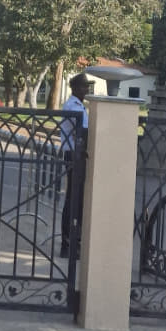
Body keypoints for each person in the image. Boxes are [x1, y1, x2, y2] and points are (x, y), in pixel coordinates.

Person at [59, 73, 90, 259]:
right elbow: (82, 131)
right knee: (73, 199)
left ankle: (74, 242)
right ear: (76, 88)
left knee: (77, 199)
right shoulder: (73, 106)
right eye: (85, 86)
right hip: (73, 154)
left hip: (78, 154)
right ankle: (67, 244)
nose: (87, 90)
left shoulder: (79, 105)